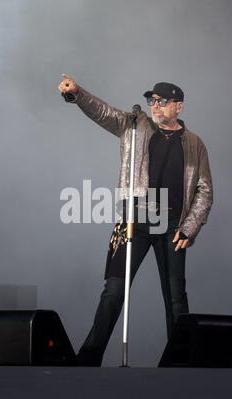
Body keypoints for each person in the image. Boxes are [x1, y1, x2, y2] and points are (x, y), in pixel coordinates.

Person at [58, 74, 213, 366]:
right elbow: (102, 112)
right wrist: (77, 92)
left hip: (172, 227)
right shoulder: (133, 125)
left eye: (162, 102)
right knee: (113, 292)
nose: (155, 106)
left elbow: (204, 191)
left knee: (176, 298)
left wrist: (190, 228)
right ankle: (88, 359)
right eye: (152, 100)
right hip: (134, 221)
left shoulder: (194, 144)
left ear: (178, 107)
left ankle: (182, 363)